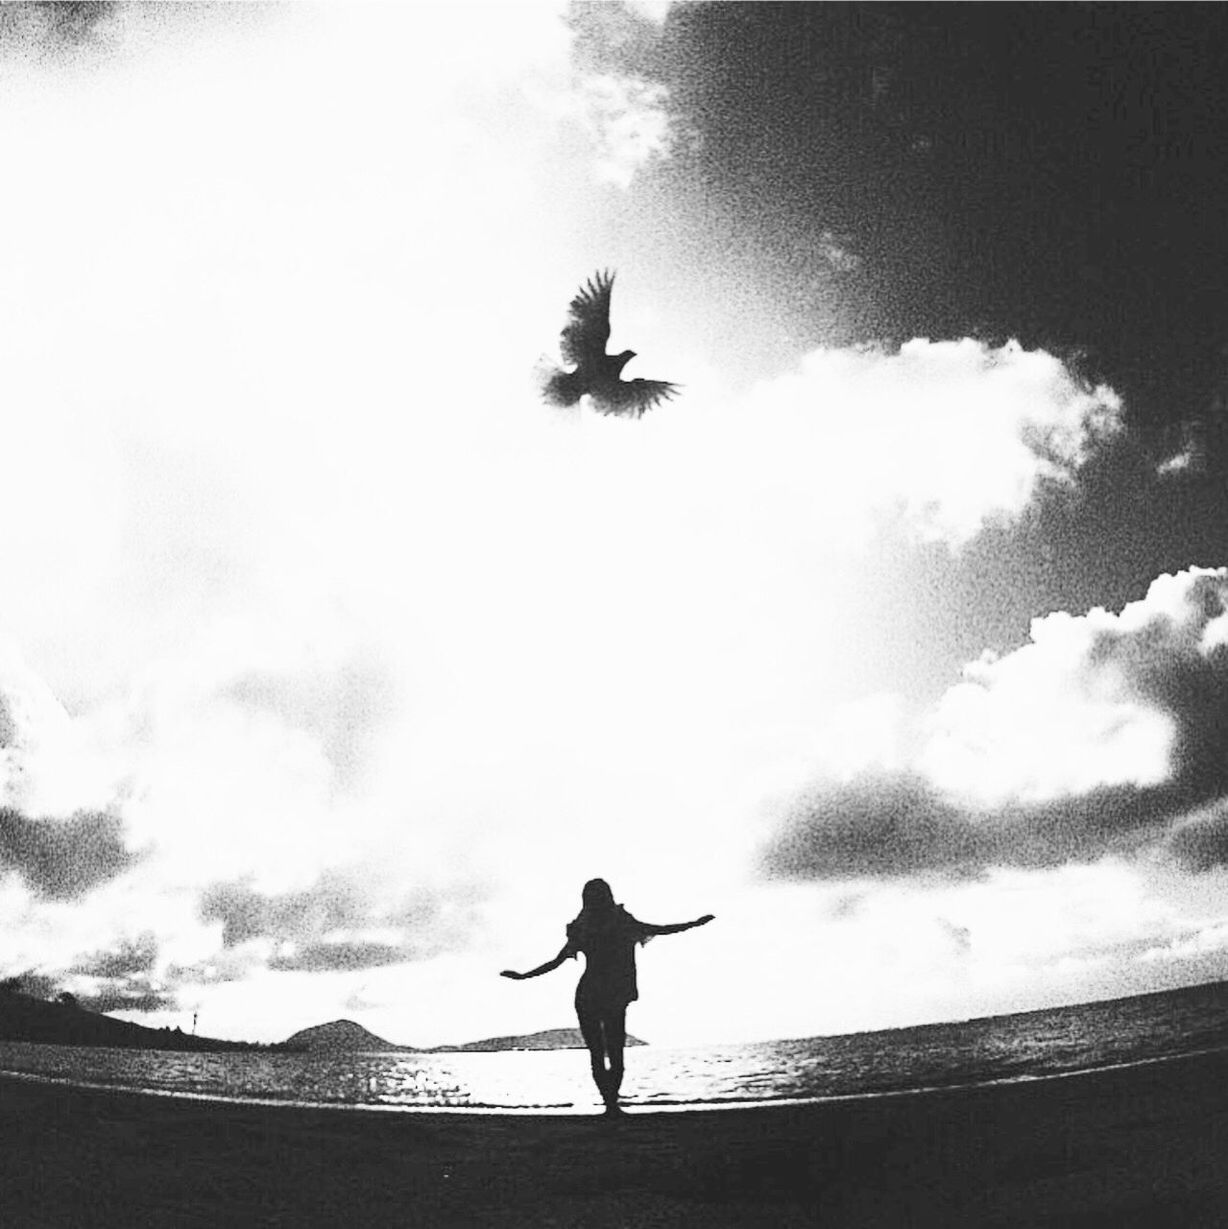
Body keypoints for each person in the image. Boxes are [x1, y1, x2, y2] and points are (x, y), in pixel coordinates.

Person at [501, 878, 713, 1114]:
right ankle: (611, 1105)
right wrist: (694, 924)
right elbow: (659, 929)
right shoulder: (616, 923)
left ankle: (610, 1104)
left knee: (599, 1053)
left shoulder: (586, 928)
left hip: (591, 994)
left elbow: (555, 962)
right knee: (614, 1051)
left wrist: (523, 976)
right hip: (610, 994)